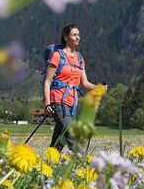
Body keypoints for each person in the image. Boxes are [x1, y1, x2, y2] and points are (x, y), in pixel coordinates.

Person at [43, 24, 103, 153]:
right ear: (65, 37)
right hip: (58, 101)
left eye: (78, 35)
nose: (78, 37)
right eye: (74, 35)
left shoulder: (79, 58)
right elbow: (47, 81)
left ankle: (45, 167)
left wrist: (99, 88)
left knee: (60, 140)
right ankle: (83, 163)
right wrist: (47, 103)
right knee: (72, 135)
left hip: (72, 103)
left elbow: (85, 83)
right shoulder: (57, 56)